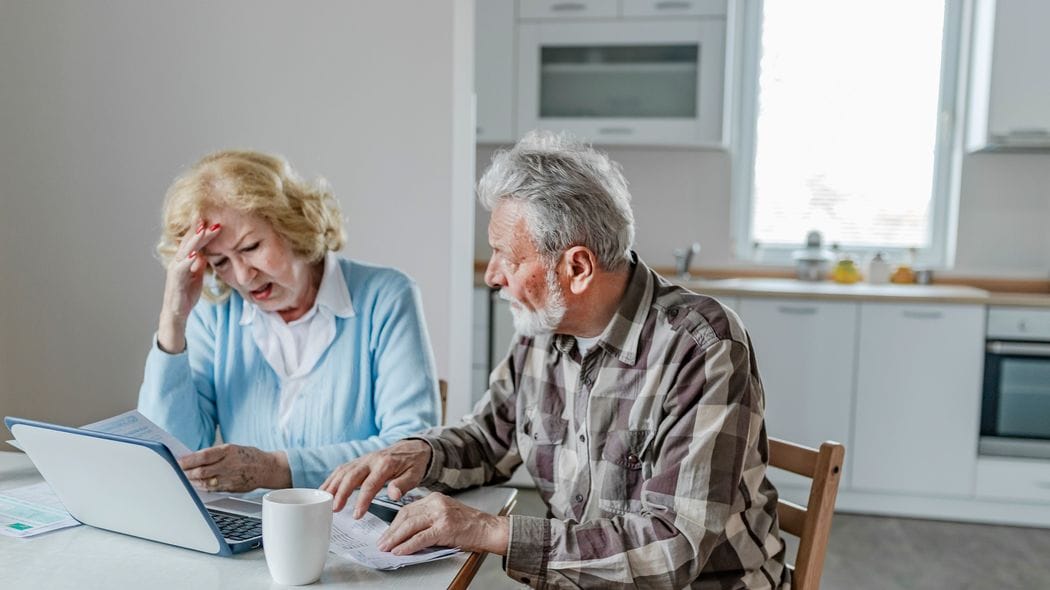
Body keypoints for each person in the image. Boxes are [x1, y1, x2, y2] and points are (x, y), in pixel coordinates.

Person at [321, 131, 789, 589]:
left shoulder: (701, 346)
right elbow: (489, 438)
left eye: (506, 256)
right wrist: (418, 454)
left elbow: (672, 549)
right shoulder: (542, 328)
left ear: (578, 268)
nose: (493, 276)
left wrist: (488, 530)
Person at [138, 150, 439, 492]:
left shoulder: (385, 296)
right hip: (253, 528)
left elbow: (409, 449)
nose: (242, 275)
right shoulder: (215, 312)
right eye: (220, 261)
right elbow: (176, 456)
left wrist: (276, 469)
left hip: (358, 527)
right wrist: (172, 320)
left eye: (251, 247)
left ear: (294, 226)